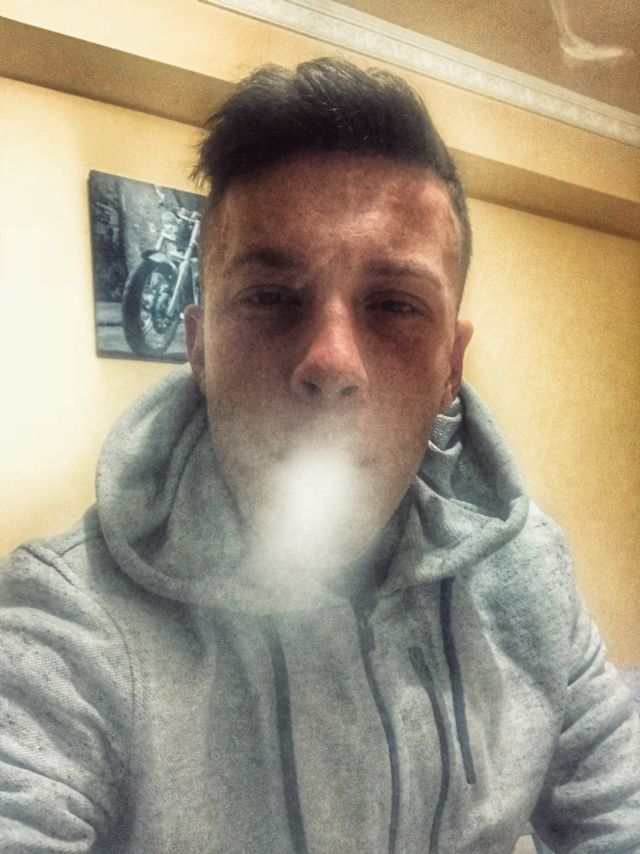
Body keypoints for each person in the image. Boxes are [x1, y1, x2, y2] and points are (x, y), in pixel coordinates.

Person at [0, 57, 638, 854]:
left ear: (451, 367)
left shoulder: (530, 573)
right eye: (270, 297)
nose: (331, 362)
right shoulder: (68, 619)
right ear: (199, 349)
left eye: (394, 305)